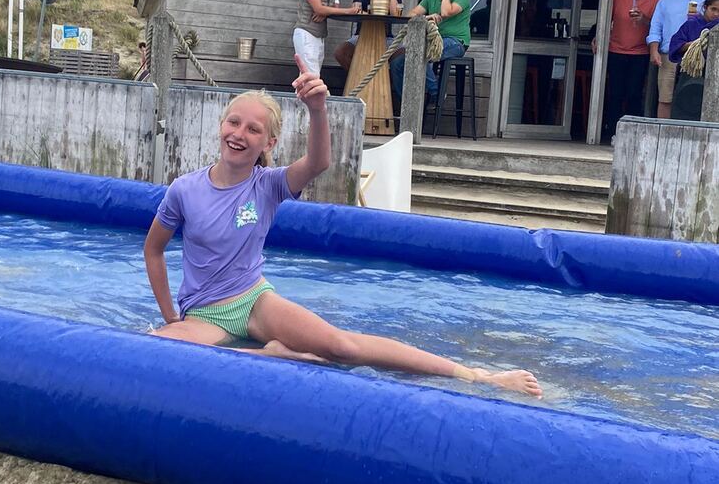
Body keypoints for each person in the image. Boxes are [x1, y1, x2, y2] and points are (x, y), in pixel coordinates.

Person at [143, 58, 542, 396]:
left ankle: (477, 375)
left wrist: (318, 109)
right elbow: (153, 249)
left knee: (342, 347)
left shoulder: (267, 186)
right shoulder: (185, 190)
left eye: (254, 130)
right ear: (221, 125)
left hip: (253, 300)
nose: (239, 134)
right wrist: (171, 315)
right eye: (234, 123)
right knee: (159, 348)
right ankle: (271, 355)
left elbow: (318, 163)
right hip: (204, 313)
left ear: (269, 143)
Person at [389, 0, 471, 102]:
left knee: (422, 53)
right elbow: (410, 15)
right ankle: (406, 102)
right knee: (396, 64)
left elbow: (446, 12)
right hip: (434, 40)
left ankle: (436, 94)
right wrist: (427, 17)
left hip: (456, 42)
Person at [594, 0, 659, 141]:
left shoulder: (656, 0)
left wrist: (644, 19)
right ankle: (612, 132)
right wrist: (597, 36)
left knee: (634, 94)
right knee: (615, 93)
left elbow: (659, 26)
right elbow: (606, 20)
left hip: (640, 53)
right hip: (616, 51)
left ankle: (631, 135)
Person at [648, 0, 705, 119]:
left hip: (698, 57)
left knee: (694, 99)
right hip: (669, 55)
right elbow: (655, 27)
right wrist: (654, 50)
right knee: (665, 98)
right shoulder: (666, 0)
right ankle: (663, 131)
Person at [293, 0, 360, 76]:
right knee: (310, 74)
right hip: (306, 32)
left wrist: (324, 12)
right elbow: (319, 9)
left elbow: (334, 7)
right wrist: (348, 10)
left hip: (320, 34)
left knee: (312, 74)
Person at [332, 0, 403, 72]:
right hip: (361, 36)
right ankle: (359, 76)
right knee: (340, 52)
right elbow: (356, 9)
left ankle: (387, 80)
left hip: (386, 37)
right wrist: (373, 15)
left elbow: (396, 14)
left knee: (404, 55)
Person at [669, 0, 719, 65]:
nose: (716, 14)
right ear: (705, 7)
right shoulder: (691, 24)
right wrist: (696, 44)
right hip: (690, 69)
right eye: (713, 9)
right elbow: (675, 45)